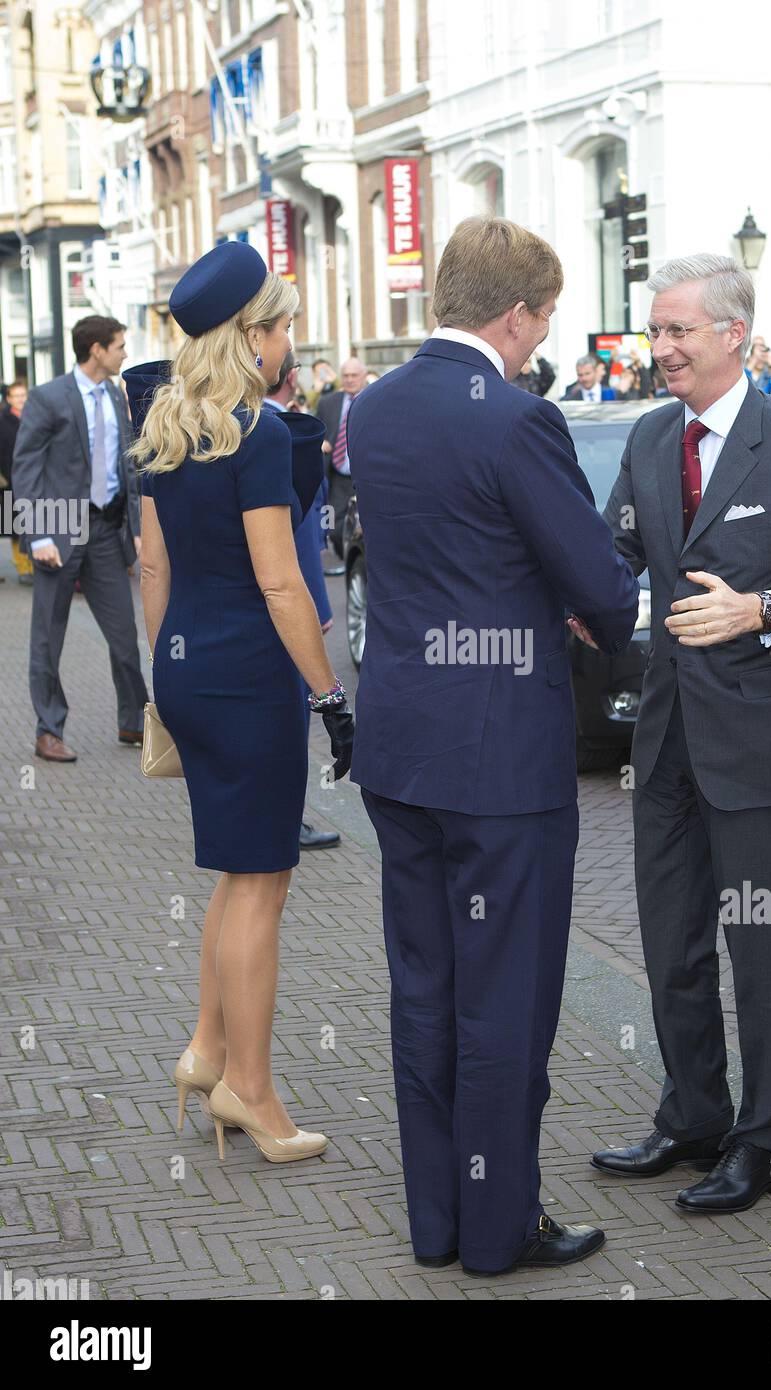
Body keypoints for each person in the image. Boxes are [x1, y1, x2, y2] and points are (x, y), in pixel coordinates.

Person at [347, 214, 640, 1275]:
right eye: (542, 320)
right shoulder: (516, 419)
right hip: (499, 764)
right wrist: (587, 607)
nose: (538, 340)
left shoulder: (368, 410)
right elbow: (601, 586)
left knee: (425, 992)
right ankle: (498, 1230)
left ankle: (438, 1223)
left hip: (401, 750)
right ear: (513, 315)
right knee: (504, 1000)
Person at [592, 252, 771, 1213]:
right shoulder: (648, 438)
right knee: (671, 942)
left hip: (761, 739)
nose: (658, 348)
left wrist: (762, 608)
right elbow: (612, 551)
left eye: (676, 331)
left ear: (732, 337)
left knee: (761, 948)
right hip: (666, 736)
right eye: (655, 330)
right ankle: (695, 1114)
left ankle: (764, 1143)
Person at [126, 241, 354, 1163]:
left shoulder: (164, 428)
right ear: (250, 336)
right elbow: (282, 586)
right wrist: (331, 691)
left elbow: (151, 564)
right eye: (283, 325)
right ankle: (251, 1094)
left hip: (185, 669)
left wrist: (171, 664)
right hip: (250, 679)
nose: (289, 339)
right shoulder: (253, 433)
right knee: (263, 880)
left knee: (232, 869)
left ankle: (207, 1048)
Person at [11, 316, 148, 763]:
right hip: (61, 528)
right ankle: (48, 729)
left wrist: (139, 531)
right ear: (95, 350)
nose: (125, 354)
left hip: (107, 532)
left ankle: (134, 722)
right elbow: (26, 469)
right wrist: (39, 535)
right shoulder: (48, 397)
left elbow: (126, 467)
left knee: (126, 636)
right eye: (120, 346)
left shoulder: (114, 394)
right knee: (49, 637)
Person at [261, 350, 341, 853]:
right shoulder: (284, 434)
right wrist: (320, 610)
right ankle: (286, 819)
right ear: (293, 378)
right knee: (288, 713)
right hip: (281, 597)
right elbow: (304, 530)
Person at [313, 356, 367, 559]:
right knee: (333, 526)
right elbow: (316, 431)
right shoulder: (328, 402)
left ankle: (360, 561)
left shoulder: (373, 398)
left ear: (363, 376)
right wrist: (320, 443)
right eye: (346, 375)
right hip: (338, 476)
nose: (350, 379)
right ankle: (347, 558)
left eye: (354, 375)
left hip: (365, 475)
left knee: (366, 526)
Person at [0, 379, 34, 584]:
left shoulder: (34, 416)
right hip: (10, 478)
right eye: (17, 396)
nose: (21, 399)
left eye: (24, 395)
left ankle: (32, 564)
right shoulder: (2, 421)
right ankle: (23, 567)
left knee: (32, 523)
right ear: (9, 398)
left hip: (32, 477)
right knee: (15, 526)